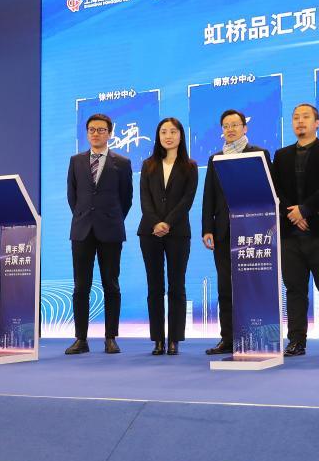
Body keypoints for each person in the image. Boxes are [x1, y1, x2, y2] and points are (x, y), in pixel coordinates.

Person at [271, 104, 319, 358]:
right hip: (290, 234)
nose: (300, 121)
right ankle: (296, 341)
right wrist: (292, 214)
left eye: (305, 117)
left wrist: (305, 210)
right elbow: (276, 190)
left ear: (317, 122)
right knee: (294, 290)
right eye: (296, 118)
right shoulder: (281, 155)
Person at [201, 109, 269, 355]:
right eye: (226, 126)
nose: (230, 130)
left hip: (253, 232)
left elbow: (268, 192)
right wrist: (207, 228)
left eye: (235, 125)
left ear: (244, 128)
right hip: (223, 231)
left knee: (252, 286)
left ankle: (256, 338)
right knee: (225, 287)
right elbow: (209, 196)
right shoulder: (215, 159)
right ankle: (228, 339)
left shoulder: (259, 154)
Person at [65, 114, 133, 355]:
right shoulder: (76, 161)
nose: (96, 133)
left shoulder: (122, 163)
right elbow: (72, 196)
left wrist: (111, 218)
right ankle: (80, 339)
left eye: (101, 130)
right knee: (80, 286)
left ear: (110, 133)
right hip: (82, 230)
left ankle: (110, 338)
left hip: (111, 230)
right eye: (92, 130)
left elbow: (126, 198)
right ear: (87, 133)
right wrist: (85, 216)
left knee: (111, 285)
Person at [138, 117, 198, 356]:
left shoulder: (190, 166)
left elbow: (187, 200)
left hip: (178, 232)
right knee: (154, 287)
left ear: (181, 135)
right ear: (158, 136)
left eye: (173, 131)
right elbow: (144, 199)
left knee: (176, 286)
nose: (168, 136)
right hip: (149, 232)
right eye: (163, 132)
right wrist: (156, 222)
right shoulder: (148, 164)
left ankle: (174, 339)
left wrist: (168, 223)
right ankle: (157, 340)